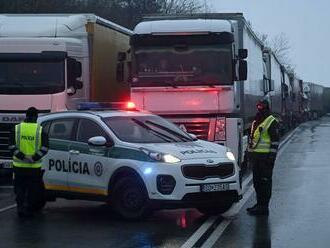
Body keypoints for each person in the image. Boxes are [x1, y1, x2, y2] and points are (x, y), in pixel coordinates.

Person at [9, 107, 49, 217]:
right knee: (33, 189)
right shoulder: (40, 130)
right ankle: (30, 209)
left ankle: (20, 208)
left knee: (20, 188)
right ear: (36, 117)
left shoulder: (16, 128)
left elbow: (12, 147)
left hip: (19, 166)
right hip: (34, 167)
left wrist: (23, 156)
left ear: (26, 116)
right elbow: (45, 148)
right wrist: (33, 158)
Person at [246, 100, 279, 216]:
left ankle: (264, 207)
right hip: (256, 158)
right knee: (257, 183)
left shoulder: (271, 121)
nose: (259, 108)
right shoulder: (256, 121)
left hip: (266, 159)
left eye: (261, 106)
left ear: (266, 107)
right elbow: (252, 140)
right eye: (258, 106)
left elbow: (275, 142)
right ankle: (259, 204)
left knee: (265, 183)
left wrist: (271, 158)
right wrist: (249, 156)